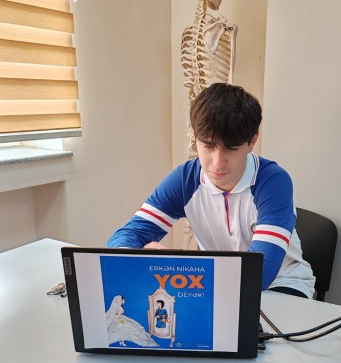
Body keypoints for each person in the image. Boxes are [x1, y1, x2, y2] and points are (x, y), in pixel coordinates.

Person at [107, 83, 315, 298]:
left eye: (231, 149)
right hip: (215, 286)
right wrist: (127, 257)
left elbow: (259, 274)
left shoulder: (273, 182)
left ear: (252, 140)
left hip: (281, 283)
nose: (217, 163)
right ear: (195, 137)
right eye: (207, 145)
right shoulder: (185, 180)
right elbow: (128, 235)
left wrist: (175, 266)